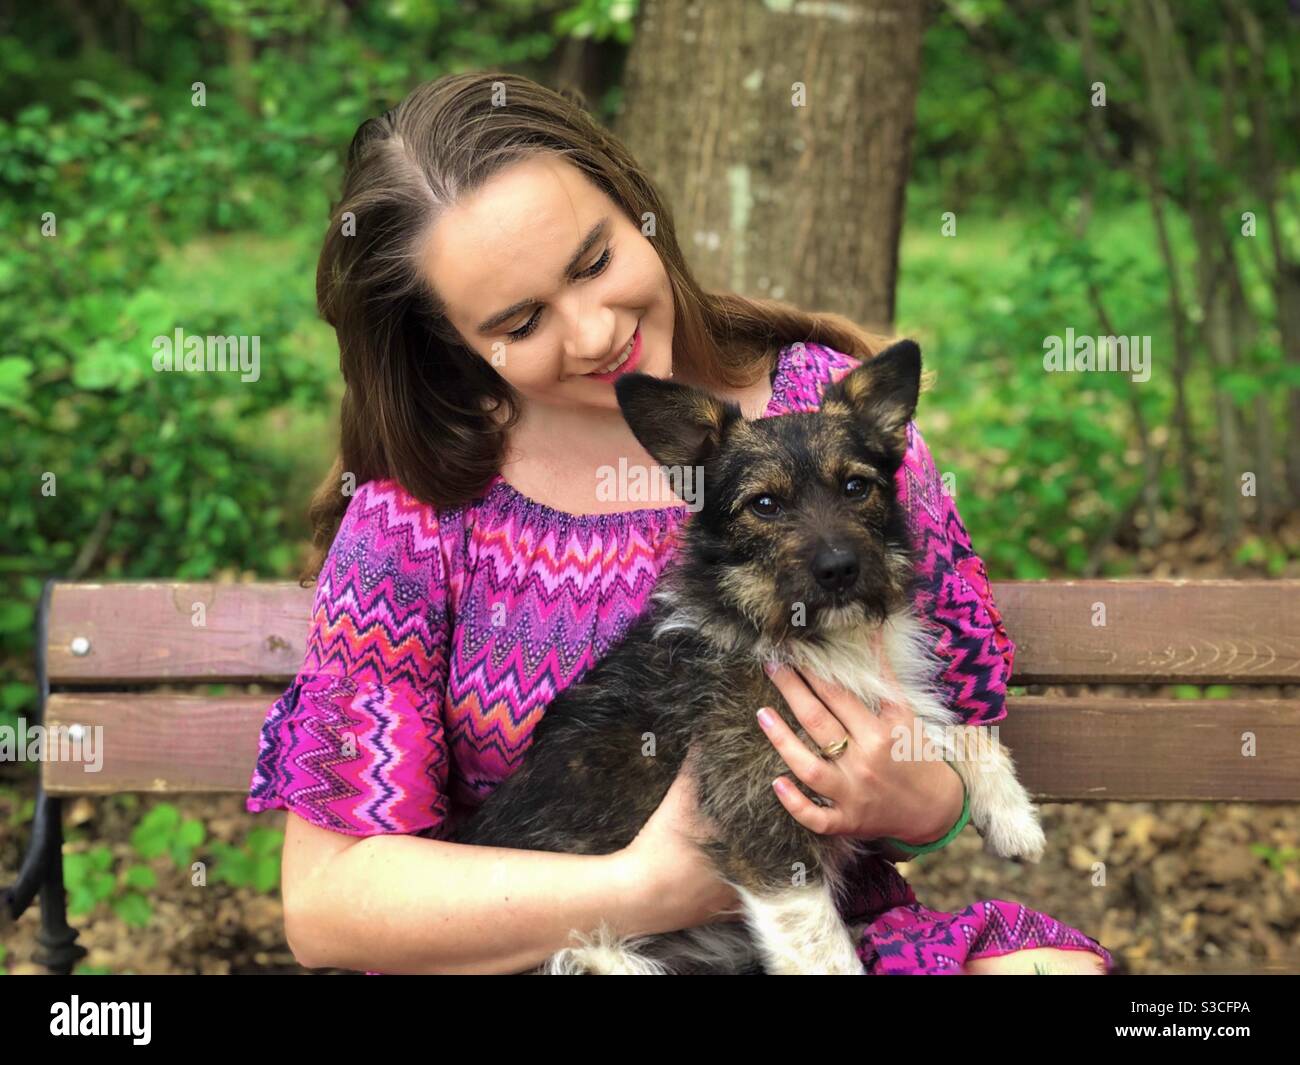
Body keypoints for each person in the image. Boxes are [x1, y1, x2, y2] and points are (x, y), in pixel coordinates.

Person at [246, 71, 1113, 976]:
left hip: (822, 933)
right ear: (454, 343)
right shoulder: (420, 516)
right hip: (569, 952)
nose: (592, 333)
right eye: (521, 319)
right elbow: (327, 907)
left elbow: (956, 734)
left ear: (637, 207)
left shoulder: (826, 409)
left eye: (593, 262)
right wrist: (644, 886)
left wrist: (916, 803)